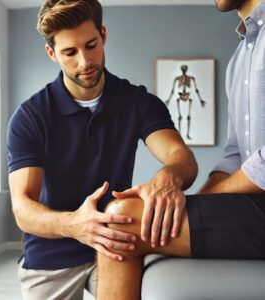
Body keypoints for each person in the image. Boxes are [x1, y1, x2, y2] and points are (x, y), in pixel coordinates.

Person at [7, 0, 198, 299]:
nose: (85, 61)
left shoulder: (138, 102)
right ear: (52, 53)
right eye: (70, 52)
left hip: (116, 245)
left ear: (104, 35)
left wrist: (169, 177)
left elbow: (181, 158)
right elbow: (23, 209)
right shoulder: (30, 117)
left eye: (91, 45)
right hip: (51, 254)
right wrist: (76, 225)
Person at [96, 0, 265, 299]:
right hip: (255, 207)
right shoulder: (240, 59)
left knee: (121, 220)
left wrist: (200, 199)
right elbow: (233, 154)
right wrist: (186, 202)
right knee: (127, 217)